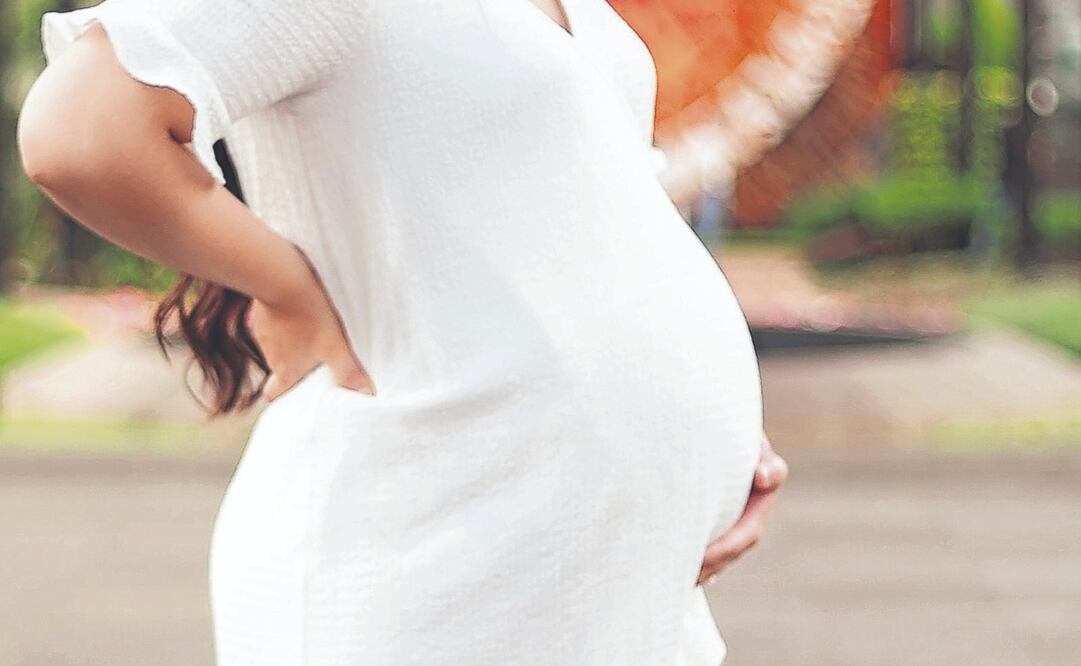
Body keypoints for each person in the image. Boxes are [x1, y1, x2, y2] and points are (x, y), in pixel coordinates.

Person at [17, 0, 788, 663]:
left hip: (603, 584)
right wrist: (291, 294)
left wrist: (700, 447)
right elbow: (81, 130)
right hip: (433, 562)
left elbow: (583, 213)